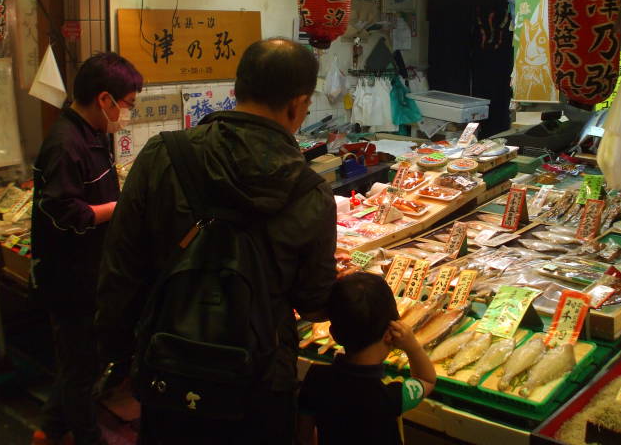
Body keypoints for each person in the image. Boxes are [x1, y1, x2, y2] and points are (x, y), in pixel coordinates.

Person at [95, 38, 337, 445]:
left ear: (237, 91)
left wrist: (122, 358)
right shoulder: (310, 192)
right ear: (297, 104)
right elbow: (314, 300)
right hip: (259, 380)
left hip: (169, 368)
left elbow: (120, 268)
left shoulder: (162, 155)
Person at [30, 52, 143, 445]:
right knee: (81, 369)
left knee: (83, 362)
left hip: (91, 271)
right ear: (104, 99)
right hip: (69, 279)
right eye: (127, 104)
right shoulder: (65, 143)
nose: (128, 113)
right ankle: (86, 436)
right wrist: (119, 207)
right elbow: (65, 213)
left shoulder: (90, 134)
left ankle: (50, 428)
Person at [297, 273, 437, 445]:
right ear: (389, 334)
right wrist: (412, 347)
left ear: (333, 334)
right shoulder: (392, 393)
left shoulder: (316, 377)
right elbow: (427, 379)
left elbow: (303, 437)